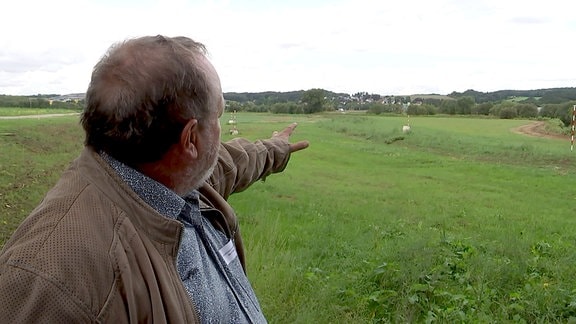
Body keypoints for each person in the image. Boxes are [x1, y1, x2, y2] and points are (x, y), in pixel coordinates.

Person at [0, 35, 309, 323]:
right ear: (190, 139)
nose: (220, 129)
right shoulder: (51, 280)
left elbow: (233, 163)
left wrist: (276, 148)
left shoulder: (174, 182)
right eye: (217, 116)